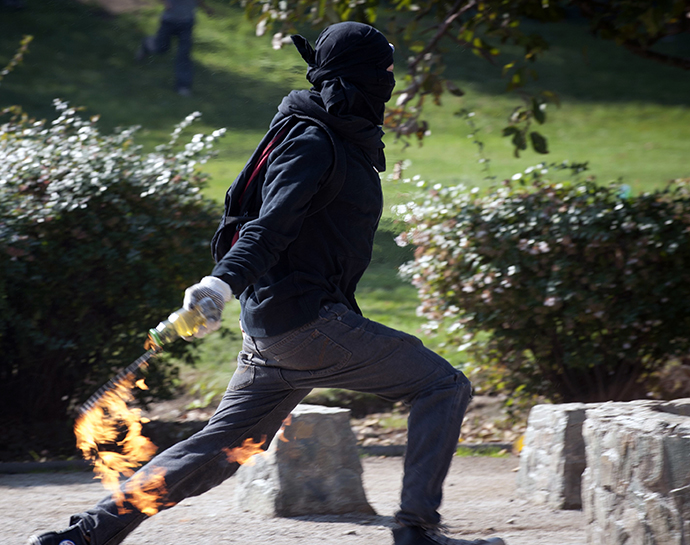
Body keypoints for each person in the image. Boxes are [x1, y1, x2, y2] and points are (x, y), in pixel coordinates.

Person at [29, 22, 505, 545]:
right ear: (362, 75)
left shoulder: (328, 130)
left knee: (220, 448)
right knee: (443, 384)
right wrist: (218, 285)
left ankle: (82, 537)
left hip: (276, 334)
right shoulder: (313, 141)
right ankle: (416, 530)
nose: (391, 79)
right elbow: (268, 227)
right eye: (385, 69)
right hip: (306, 324)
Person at [135, 0, 213, 96]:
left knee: (184, 54)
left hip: (187, 23)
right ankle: (147, 44)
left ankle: (183, 86)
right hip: (169, 21)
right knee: (161, 48)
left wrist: (206, 9)